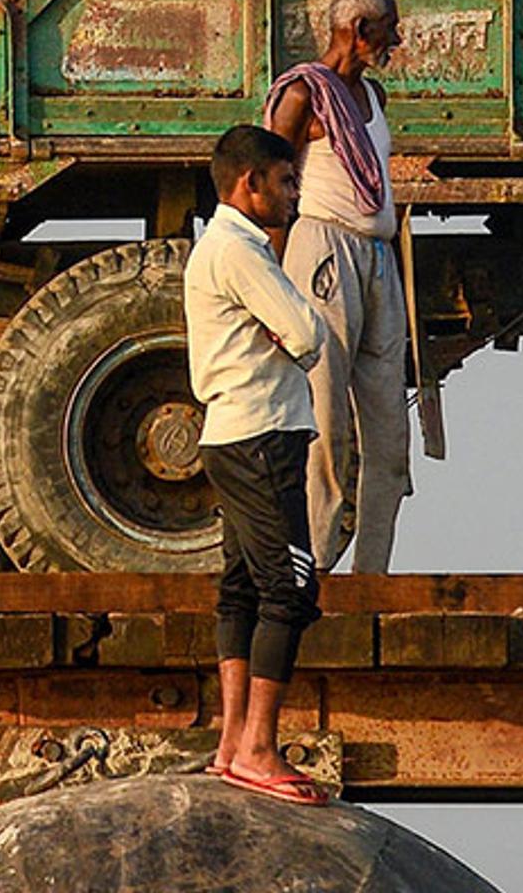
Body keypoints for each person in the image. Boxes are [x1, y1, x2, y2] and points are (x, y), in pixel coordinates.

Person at [184, 123, 333, 806]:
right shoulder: (241, 251)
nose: (295, 197)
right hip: (263, 434)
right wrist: (294, 335)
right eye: (287, 182)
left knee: (242, 586)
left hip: (230, 432)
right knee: (291, 591)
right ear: (250, 184)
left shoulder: (216, 247)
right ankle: (257, 747)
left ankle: (230, 741)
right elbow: (308, 332)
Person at [264, 0, 413, 574]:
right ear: (358, 30)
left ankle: (372, 575)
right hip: (322, 251)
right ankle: (314, 568)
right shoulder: (303, 95)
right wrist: (269, 284)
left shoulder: (371, 96)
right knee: (326, 428)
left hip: (377, 255)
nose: (395, 41)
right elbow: (268, 189)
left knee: (389, 436)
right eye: (389, 30)